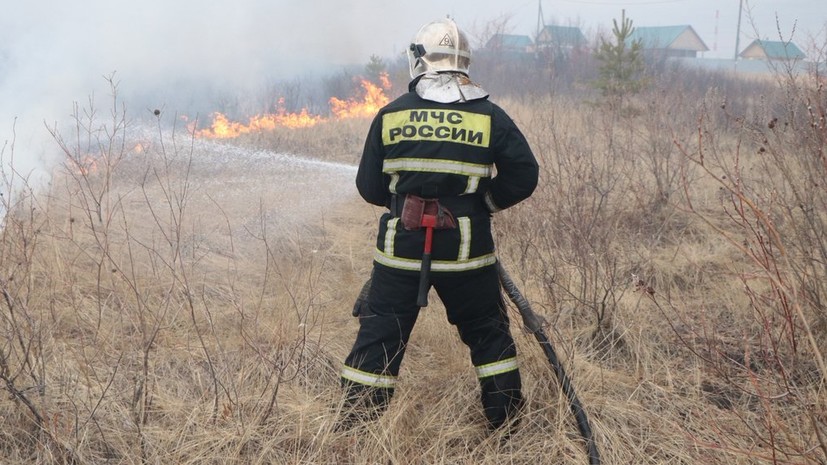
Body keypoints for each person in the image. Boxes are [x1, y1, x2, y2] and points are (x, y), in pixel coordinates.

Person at [340, 17, 539, 433]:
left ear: (419, 61)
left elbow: (369, 188)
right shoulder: (489, 116)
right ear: (464, 62)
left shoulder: (391, 115)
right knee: (488, 337)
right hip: (468, 252)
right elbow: (524, 175)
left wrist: (402, 200)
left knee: (380, 338)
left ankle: (354, 431)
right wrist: (484, 202)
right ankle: (508, 429)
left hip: (401, 249)